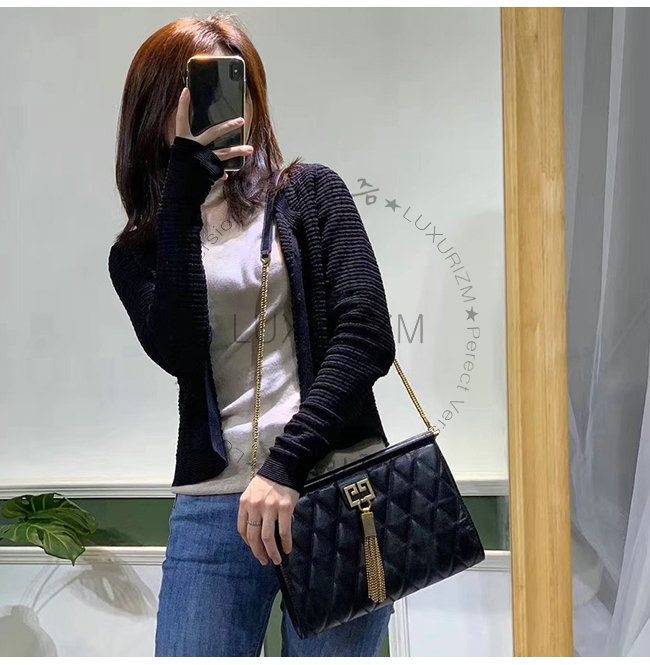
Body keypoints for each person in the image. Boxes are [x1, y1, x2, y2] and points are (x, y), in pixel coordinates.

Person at [109, 13, 396, 657]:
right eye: (194, 94)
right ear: (155, 108)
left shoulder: (311, 193)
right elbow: (180, 352)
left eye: (233, 89)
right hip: (214, 511)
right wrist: (184, 191)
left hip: (335, 490)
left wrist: (286, 465)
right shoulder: (138, 253)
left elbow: (366, 336)